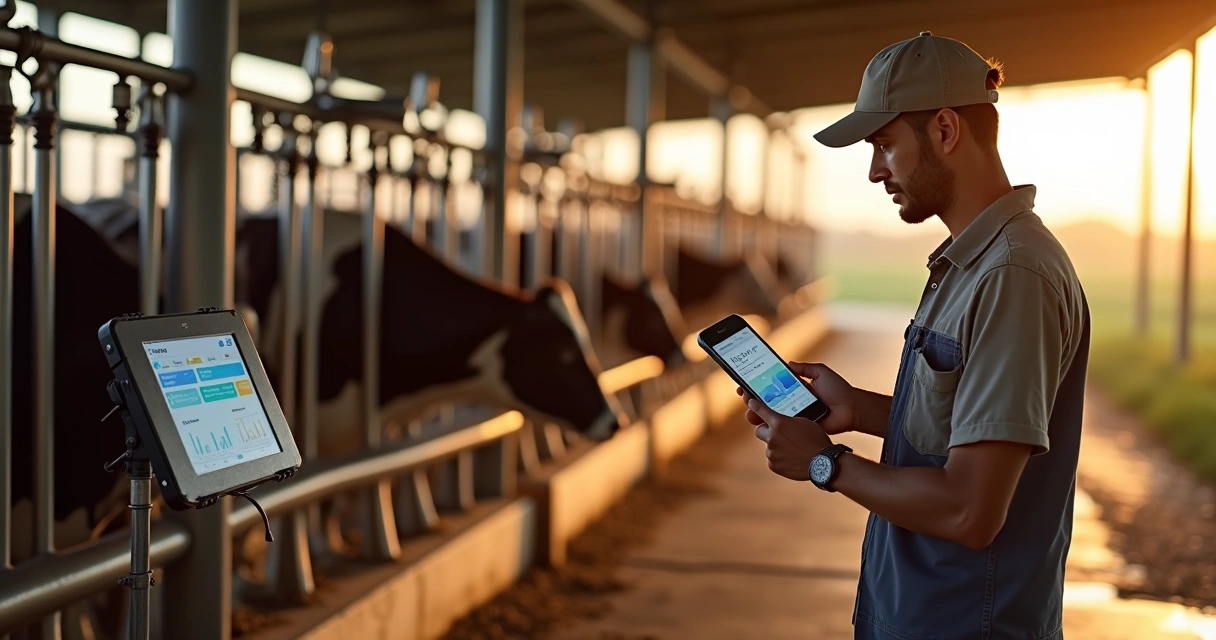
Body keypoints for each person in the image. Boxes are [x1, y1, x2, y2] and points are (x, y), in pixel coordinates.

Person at [737, 32, 1090, 640]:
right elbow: (967, 429)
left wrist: (825, 465)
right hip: (922, 617)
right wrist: (858, 410)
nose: (875, 171)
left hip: (963, 625)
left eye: (884, 144)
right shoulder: (972, 263)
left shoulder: (1012, 275)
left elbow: (970, 509)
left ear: (946, 131)